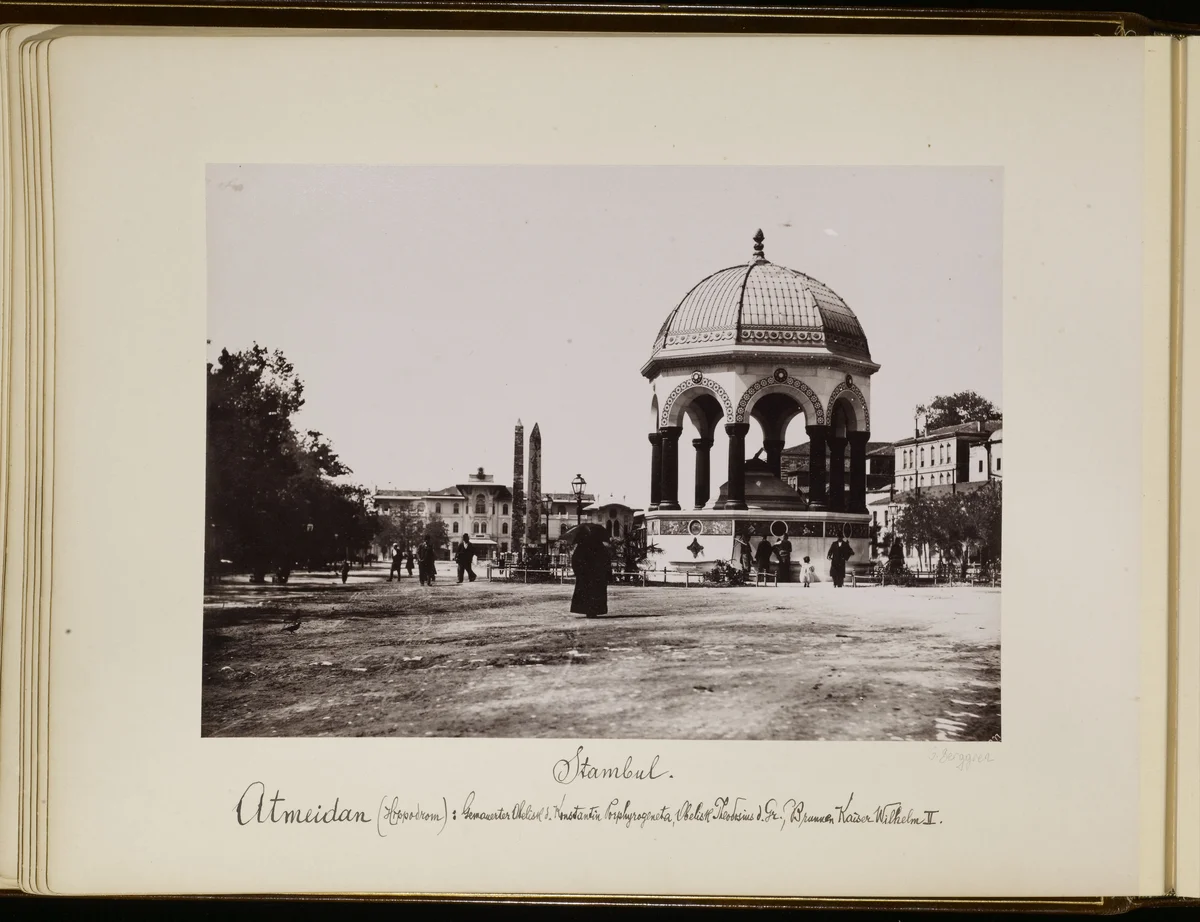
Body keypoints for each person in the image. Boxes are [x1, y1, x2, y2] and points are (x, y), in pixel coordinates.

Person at [570, 530, 610, 617]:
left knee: (585, 593)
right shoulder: (600, 547)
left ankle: (586, 609)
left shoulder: (581, 547)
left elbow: (575, 561)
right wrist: (607, 574)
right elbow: (606, 561)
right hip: (597, 576)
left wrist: (578, 572)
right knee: (596, 593)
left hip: (585, 575)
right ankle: (594, 610)